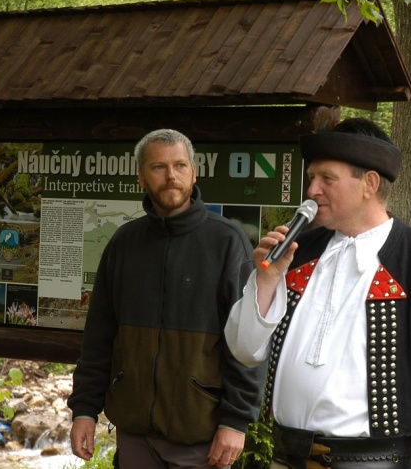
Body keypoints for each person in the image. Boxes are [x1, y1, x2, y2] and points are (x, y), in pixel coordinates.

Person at [224, 118, 411, 469]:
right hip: (286, 459)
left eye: (327, 179)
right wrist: (265, 282)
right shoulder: (297, 253)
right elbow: (245, 349)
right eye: (312, 177)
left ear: (369, 184)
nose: (312, 190)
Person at [68, 129, 264, 469]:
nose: (171, 176)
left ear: (194, 172)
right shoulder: (124, 243)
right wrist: (85, 409)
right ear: (141, 177)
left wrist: (235, 421)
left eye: (180, 165)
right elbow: (99, 335)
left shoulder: (227, 243)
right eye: (159, 167)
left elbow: (248, 343)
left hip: (199, 433)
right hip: (134, 435)